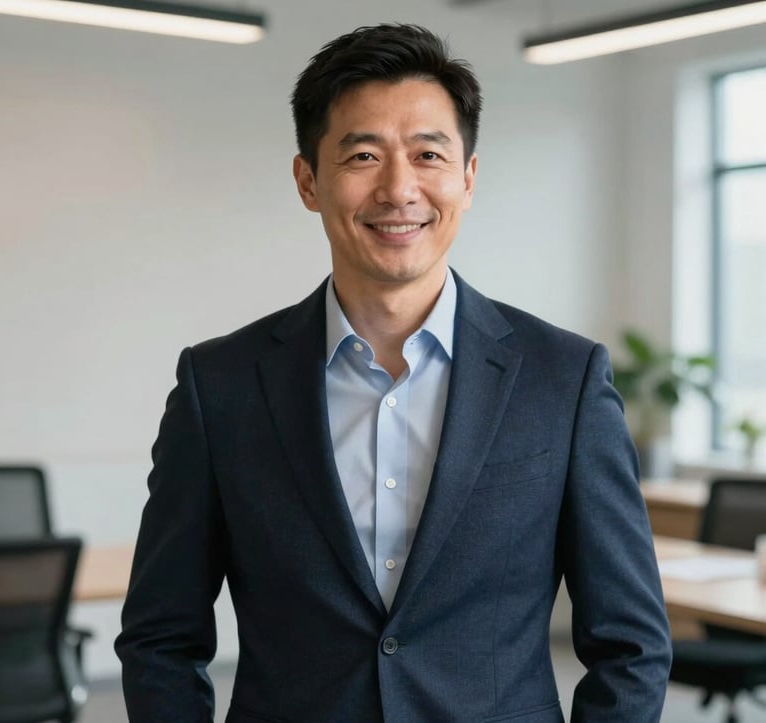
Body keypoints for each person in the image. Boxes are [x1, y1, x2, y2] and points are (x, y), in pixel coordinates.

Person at [115, 23, 671, 722]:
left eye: (429, 153)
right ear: (308, 180)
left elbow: (632, 644)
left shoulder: (564, 380)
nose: (399, 188)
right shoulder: (219, 385)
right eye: (363, 155)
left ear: (467, 179)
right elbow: (160, 638)